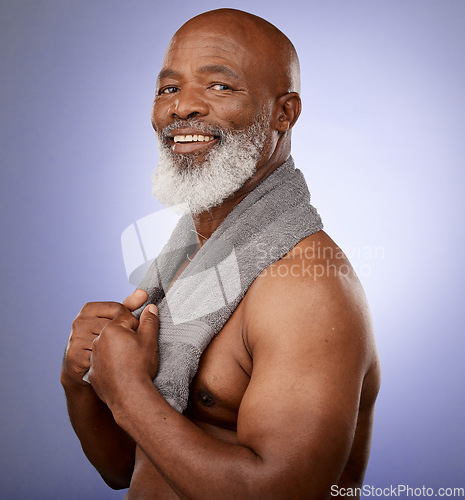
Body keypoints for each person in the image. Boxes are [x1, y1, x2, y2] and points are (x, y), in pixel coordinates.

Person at [61, 8, 380, 499]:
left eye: (219, 86)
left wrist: (128, 392)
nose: (181, 108)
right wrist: (81, 381)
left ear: (284, 113)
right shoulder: (191, 257)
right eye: (168, 88)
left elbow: (282, 494)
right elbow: (126, 468)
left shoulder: (305, 288)